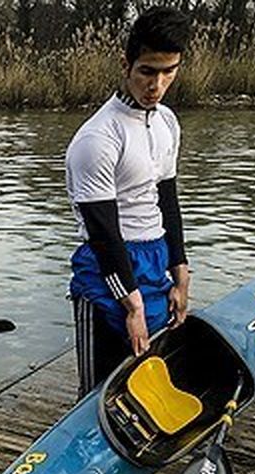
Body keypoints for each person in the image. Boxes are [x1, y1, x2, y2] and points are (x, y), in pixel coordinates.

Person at [64, 6, 192, 397]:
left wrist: (180, 268)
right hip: (108, 269)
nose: (157, 84)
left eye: (168, 71)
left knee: (145, 375)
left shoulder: (167, 122)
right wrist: (131, 305)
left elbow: (167, 201)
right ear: (127, 63)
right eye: (147, 71)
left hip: (155, 259)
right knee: (98, 390)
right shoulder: (98, 138)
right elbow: (103, 233)